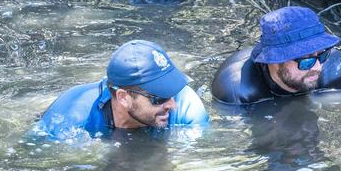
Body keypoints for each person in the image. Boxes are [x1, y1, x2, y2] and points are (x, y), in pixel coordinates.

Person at [31, 40, 209, 139]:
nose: (172, 104)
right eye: (159, 98)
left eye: (172, 91)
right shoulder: (71, 117)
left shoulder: (187, 107)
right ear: (124, 97)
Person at [211, 6, 341, 104]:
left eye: (322, 55)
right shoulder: (238, 92)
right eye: (306, 61)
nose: (318, 67)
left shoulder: (339, 73)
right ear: (274, 61)